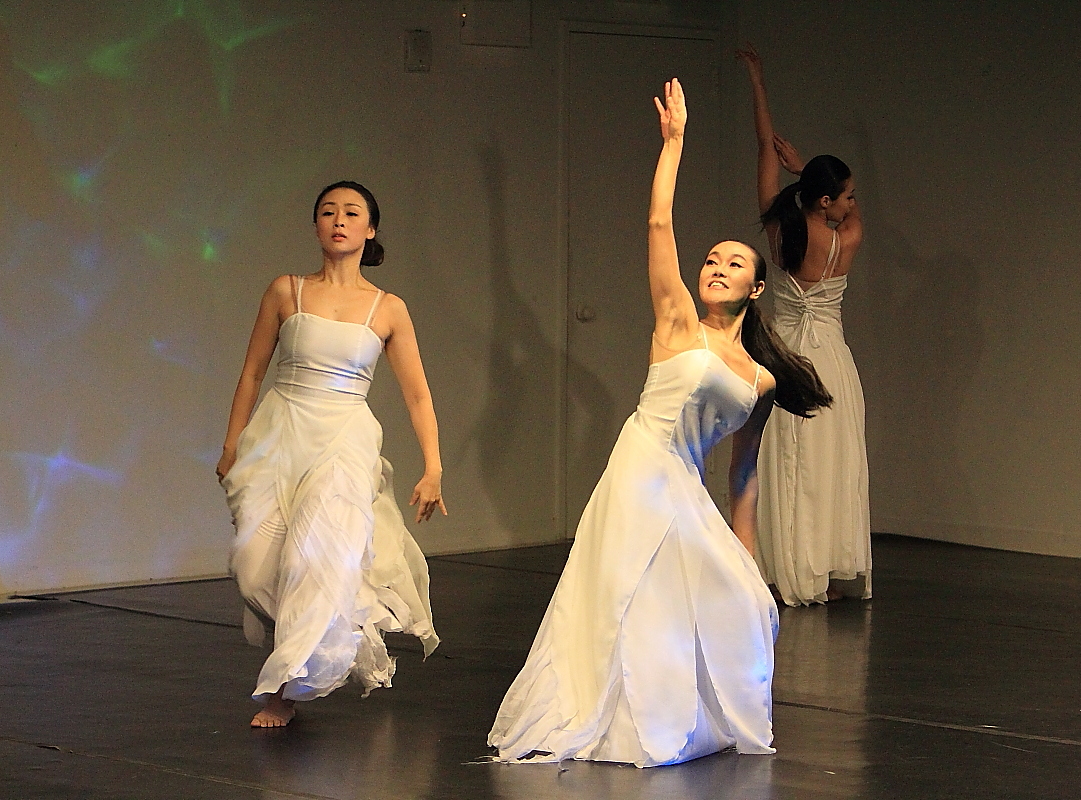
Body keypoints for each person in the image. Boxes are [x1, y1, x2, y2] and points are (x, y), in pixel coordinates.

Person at [488, 79, 831, 767]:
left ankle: (670, 714)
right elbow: (657, 228)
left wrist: (749, 561)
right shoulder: (677, 323)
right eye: (712, 259)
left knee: (711, 600)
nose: (717, 268)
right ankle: (616, 717)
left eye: (734, 263)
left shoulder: (761, 379)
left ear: (757, 287)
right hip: (640, 467)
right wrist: (672, 146)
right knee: (628, 595)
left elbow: (744, 475)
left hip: (685, 488)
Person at [217, 181, 445, 728]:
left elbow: (417, 394)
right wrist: (231, 443)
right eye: (328, 211)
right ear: (316, 225)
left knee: (311, 560)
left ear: (370, 229)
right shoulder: (286, 291)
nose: (338, 220)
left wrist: (433, 466)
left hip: (344, 439)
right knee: (253, 567)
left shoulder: (388, 308)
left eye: (351, 212)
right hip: (279, 433)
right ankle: (332, 630)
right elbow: (251, 373)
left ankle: (283, 690)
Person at [736, 45, 872, 606]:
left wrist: (757, 82)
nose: (852, 204)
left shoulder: (783, 230)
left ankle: (781, 566)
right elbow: (851, 214)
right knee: (826, 465)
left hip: (785, 352)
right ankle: (820, 570)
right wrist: (805, 171)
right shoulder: (848, 238)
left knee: (784, 460)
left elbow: (763, 147)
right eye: (846, 196)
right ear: (827, 200)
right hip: (831, 360)